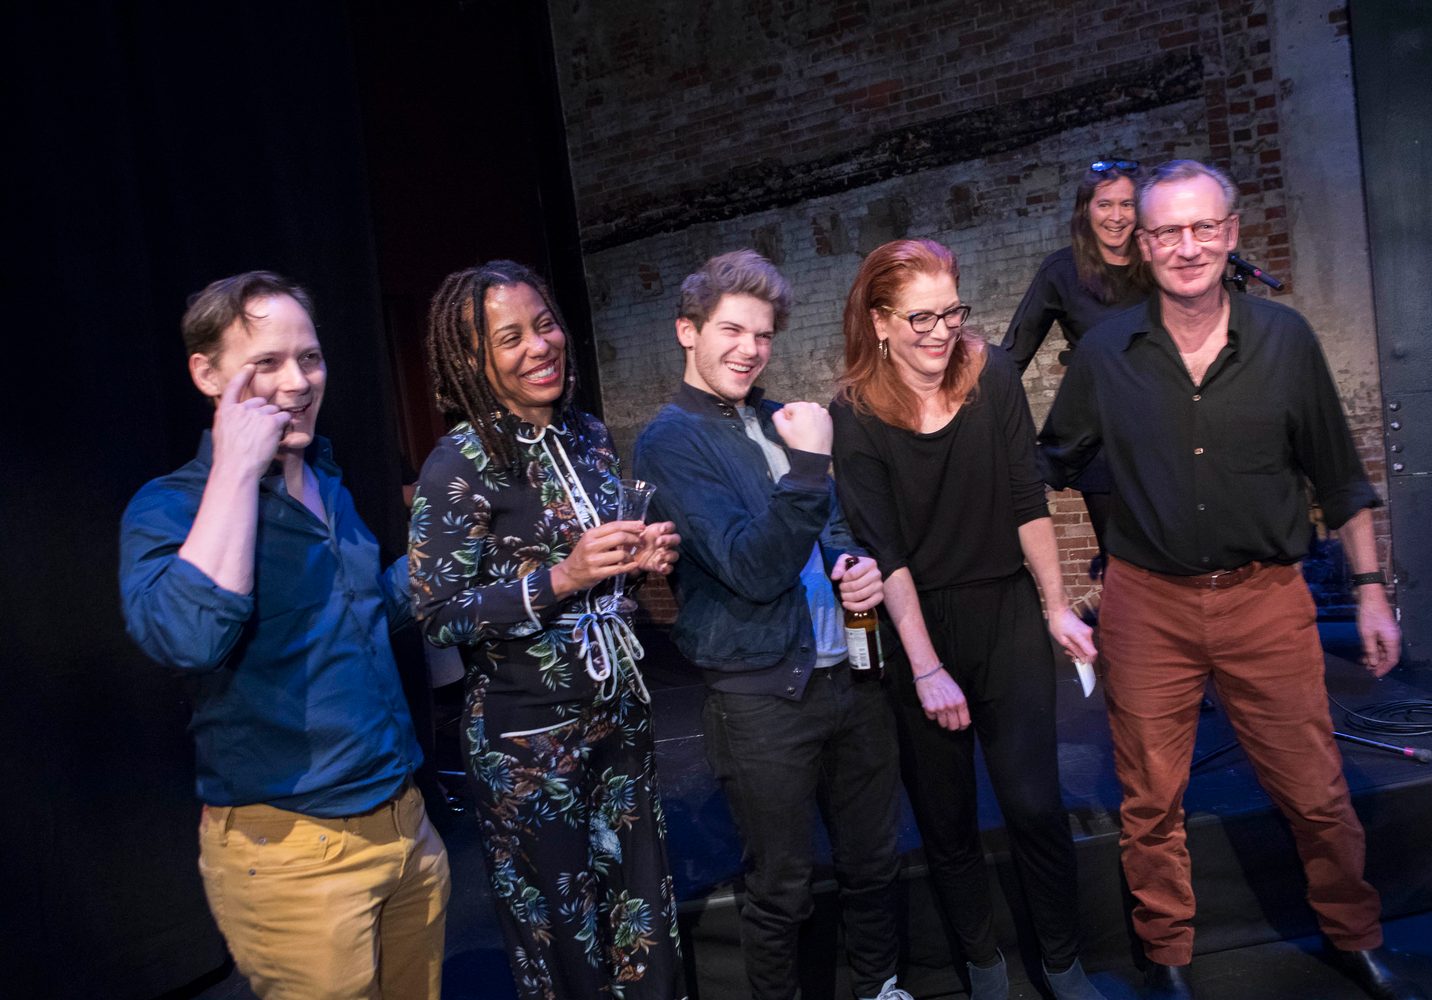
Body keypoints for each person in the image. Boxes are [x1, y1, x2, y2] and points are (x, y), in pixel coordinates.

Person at [1038, 160, 1419, 1000]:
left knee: (1315, 789)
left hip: (1265, 599)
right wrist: (1049, 593)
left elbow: (1339, 475)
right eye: (1168, 231)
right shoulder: (1105, 354)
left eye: (1203, 227)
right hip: (1146, 605)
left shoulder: (1284, 340)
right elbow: (1045, 465)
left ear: (1231, 233)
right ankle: (1167, 956)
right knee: (1151, 801)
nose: (1187, 247)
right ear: (1142, 245)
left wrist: (1369, 589)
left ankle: (1355, 937)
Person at [120, 271, 451, 999]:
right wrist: (235, 472)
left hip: (405, 824)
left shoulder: (327, 481)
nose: (298, 382)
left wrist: (460, 550)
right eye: (266, 362)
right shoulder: (169, 508)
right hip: (297, 853)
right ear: (207, 374)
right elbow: (189, 639)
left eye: (310, 357)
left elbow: (364, 611)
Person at [829, 239, 1105, 1000]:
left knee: (1034, 805)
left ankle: (1063, 962)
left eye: (951, 311)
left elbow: (1027, 501)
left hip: (1004, 609)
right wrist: (925, 669)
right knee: (946, 820)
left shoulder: (994, 375)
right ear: (880, 321)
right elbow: (886, 554)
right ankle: (984, 967)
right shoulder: (855, 413)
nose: (941, 331)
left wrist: (1054, 607)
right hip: (917, 625)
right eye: (920, 317)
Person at [634, 250, 911, 1000]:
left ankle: (881, 988)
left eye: (762, 335)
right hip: (763, 696)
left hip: (849, 674)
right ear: (687, 331)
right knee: (782, 886)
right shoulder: (670, 441)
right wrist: (810, 466)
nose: (750, 349)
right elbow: (751, 568)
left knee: (873, 861)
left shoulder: (776, 417)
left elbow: (836, 529)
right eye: (731, 330)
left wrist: (854, 565)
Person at [407, 260, 683, 999]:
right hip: (530, 744)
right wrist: (561, 578)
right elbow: (438, 613)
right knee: (567, 937)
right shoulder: (458, 463)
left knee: (641, 920)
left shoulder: (588, 436)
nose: (539, 345)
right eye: (511, 338)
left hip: (618, 719)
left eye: (545, 324)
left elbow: (603, 571)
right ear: (473, 359)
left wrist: (641, 561)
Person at [1003, 159, 1150, 563]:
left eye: (1127, 204)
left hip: (1166, 431)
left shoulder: (1160, 263)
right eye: (1105, 204)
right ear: (1086, 209)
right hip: (1103, 439)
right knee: (1121, 563)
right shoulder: (1062, 271)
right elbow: (1011, 357)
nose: (1116, 216)